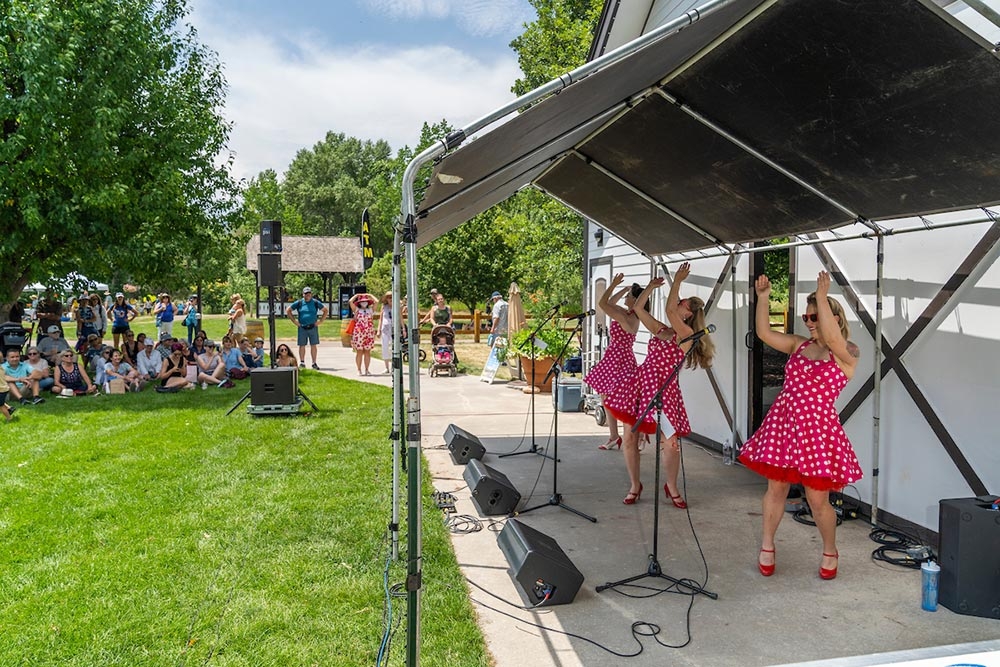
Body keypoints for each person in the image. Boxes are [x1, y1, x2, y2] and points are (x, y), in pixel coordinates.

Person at [739, 271, 862, 580]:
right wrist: (764, 299)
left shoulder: (848, 353)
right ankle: (767, 545)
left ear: (832, 317)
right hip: (784, 424)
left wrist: (822, 296)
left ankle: (830, 549)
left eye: (815, 315)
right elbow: (765, 334)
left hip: (817, 432)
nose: (808, 321)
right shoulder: (797, 344)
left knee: (816, 498)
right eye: (806, 316)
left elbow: (834, 339)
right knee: (776, 487)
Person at [604, 263, 714, 506]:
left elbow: (669, 309)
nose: (676, 305)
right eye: (678, 301)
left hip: (665, 391)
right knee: (630, 438)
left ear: (688, 314)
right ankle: (635, 485)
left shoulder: (685, 334)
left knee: (671, 444)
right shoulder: (662, 330)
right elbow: (638, 308)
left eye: (681, 304)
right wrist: (651, 288)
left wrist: (677, 282)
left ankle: (671, 486)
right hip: (641, 385)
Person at [584, 274, 644, 451]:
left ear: (634, 300)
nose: (625, 297)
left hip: (621, 359)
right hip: (613, 357)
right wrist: (623, 289)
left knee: (626, 400)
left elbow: (603, 304)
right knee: (605, 396)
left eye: (628, 295)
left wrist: (613, 285)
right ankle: (614, 436)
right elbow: (609, 302)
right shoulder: (626, 312)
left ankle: (638, 434)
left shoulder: (631, 316)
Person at [286, 287, 327, 370]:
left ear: (311, 294)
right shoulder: (299, 303)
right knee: (302, 345)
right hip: (302, 327)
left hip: (313, 327)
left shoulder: (315, 302)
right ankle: (302, 362)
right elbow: (288, 310)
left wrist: (320, 321)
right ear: (303, 294)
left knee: (313, 345)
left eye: (309, 293)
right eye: (306, 293)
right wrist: (294, 321)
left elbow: (325, 310)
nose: (307, 295)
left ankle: (314, 363)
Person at [349, 292, 378, 375]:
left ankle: (367, 369)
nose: (364, 303)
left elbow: (376, 302)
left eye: (365, 301)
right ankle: (359, 369)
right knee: (359, 351)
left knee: (367, 351)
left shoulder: (370, 310)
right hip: (359, 333)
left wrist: (370, 295)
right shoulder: (357, 310)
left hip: (369, 332)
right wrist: (357, 296)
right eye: (362, 301)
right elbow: (350, 301)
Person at [378, 292, 394, 374]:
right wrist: (378, 330)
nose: (390, 299)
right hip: (385, 329)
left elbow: (400, 317)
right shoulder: (384, 307)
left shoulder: (396, 306)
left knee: (393, 348)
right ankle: (386, 367)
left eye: (391, 297)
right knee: (385, 348)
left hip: (394, 329)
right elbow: (380, 319)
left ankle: (393, 366)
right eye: (388, 297)